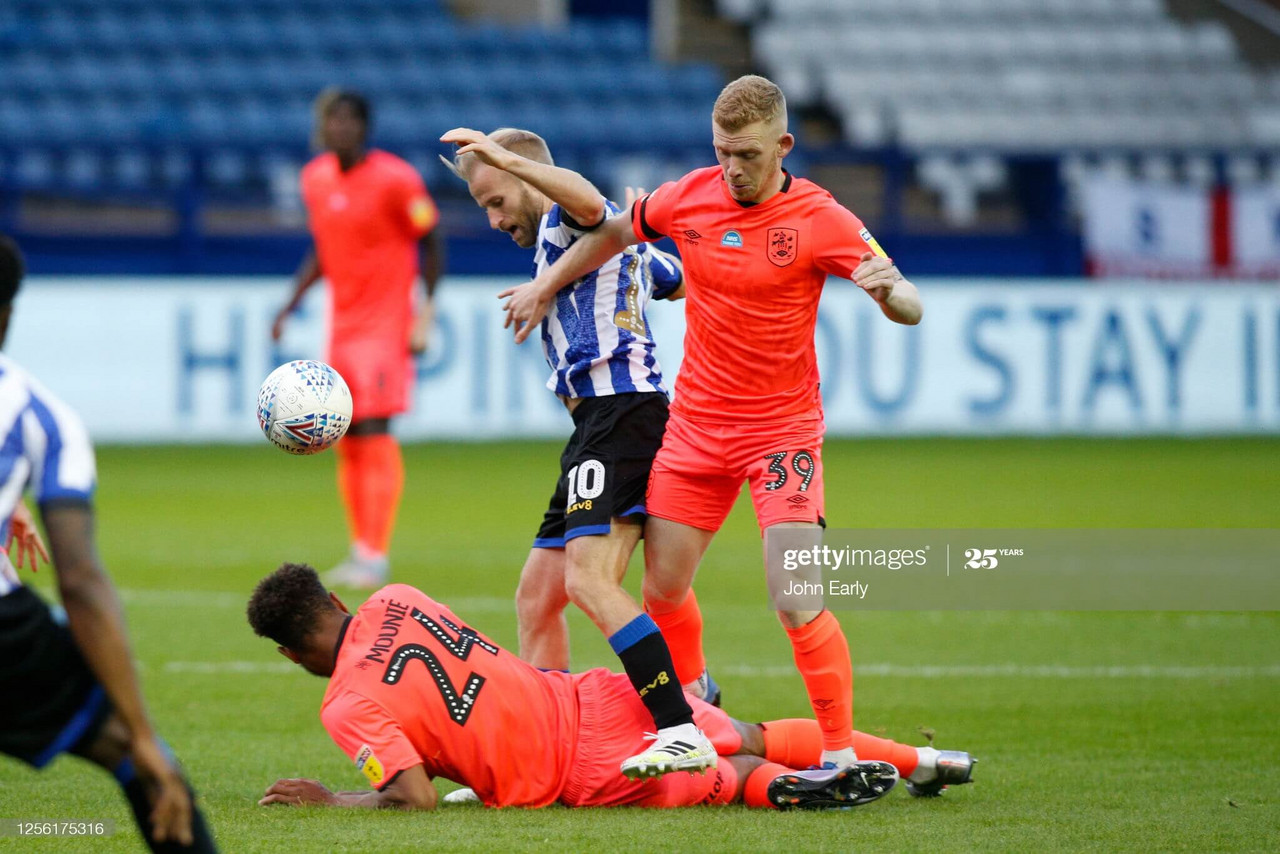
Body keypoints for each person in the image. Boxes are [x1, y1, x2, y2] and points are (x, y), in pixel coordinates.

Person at [499, 76, 925, 776]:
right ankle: (696, 719)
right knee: (661, 591)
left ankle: (844, 754)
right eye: (723, 151)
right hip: (695, 431)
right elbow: (613, 232)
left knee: (795, 594)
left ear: (783, 146)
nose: (733, 168)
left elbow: (900, 291)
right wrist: (546, 284)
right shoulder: (688, 195)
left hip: (782, 432)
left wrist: (894, 296)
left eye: (748, 154)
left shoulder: (821, 217)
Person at [437, 127, 717, 779]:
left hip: (621, 417)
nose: (494, 216)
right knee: (537, 596)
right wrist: (646, 244)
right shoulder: (589, 249)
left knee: (589, 580)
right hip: (597, 428)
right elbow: (674, 275)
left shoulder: (564, 224)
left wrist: (506, 159)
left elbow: (589, 204)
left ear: (528, 180)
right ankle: (544, 752)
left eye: (495, 199)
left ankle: (681, 727)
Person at [247, 564, 973, 810]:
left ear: (287, 653)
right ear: (338, 602)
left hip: (576, 768)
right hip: (586, 694)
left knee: (730, 772)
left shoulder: (345, 704)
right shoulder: (397, 597)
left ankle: (773, 787)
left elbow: (411, 794)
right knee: (741, 732)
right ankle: (932, 761)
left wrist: (332, 796)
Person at [0, 236, 219, 852]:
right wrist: (143, 732)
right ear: (9, 313)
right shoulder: (39, 418)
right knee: (136, 759)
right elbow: (81, 582)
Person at [272, 90, 443, 589]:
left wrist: (426, 311)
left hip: (386, 327)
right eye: (331, 118)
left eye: (347, 119)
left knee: (373, 430)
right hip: (342, 328)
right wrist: (291, 302)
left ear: (364, 127)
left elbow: (431, 238)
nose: (338, 128)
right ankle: (360, 548)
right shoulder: (316, 179)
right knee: (343, 437)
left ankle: (375, 552)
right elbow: (325, 249)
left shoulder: (396, 180)